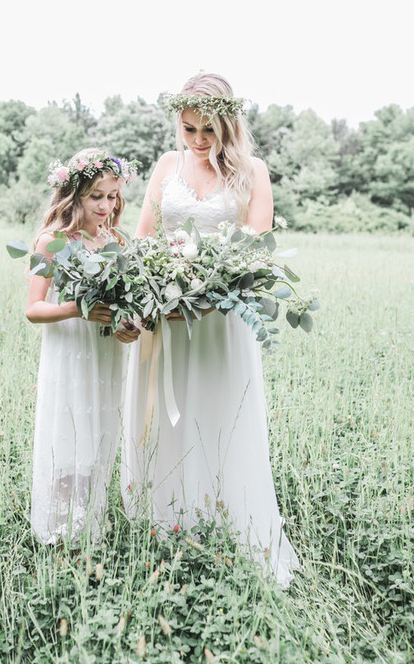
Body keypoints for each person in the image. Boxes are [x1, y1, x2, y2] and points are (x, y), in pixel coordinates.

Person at [121, 73, 300, 587]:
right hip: (166, 316)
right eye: (189, 129)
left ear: (228, 125)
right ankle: (163, 526)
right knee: (167, 420)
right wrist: (154, 291)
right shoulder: (167, 165)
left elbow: (255, 248)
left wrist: (204, 288)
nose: (198, 140)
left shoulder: (253, 172)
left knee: (218, 418)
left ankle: (225, 527)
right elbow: (144, 240)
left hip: (221, 320)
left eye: (209, 130)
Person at [25, 148, 140, 545]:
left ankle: (91, 521)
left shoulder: (116, 240)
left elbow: (125, 302)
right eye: (96, 196)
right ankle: (60, 530)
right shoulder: (51, 241)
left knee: (99, 434)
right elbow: (33, 309)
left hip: (107, 351)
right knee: (69, 435)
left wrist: (128, 324)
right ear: (74, 194)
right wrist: (77, 310)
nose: (106, 206)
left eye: (112, 196)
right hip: (70, 350)